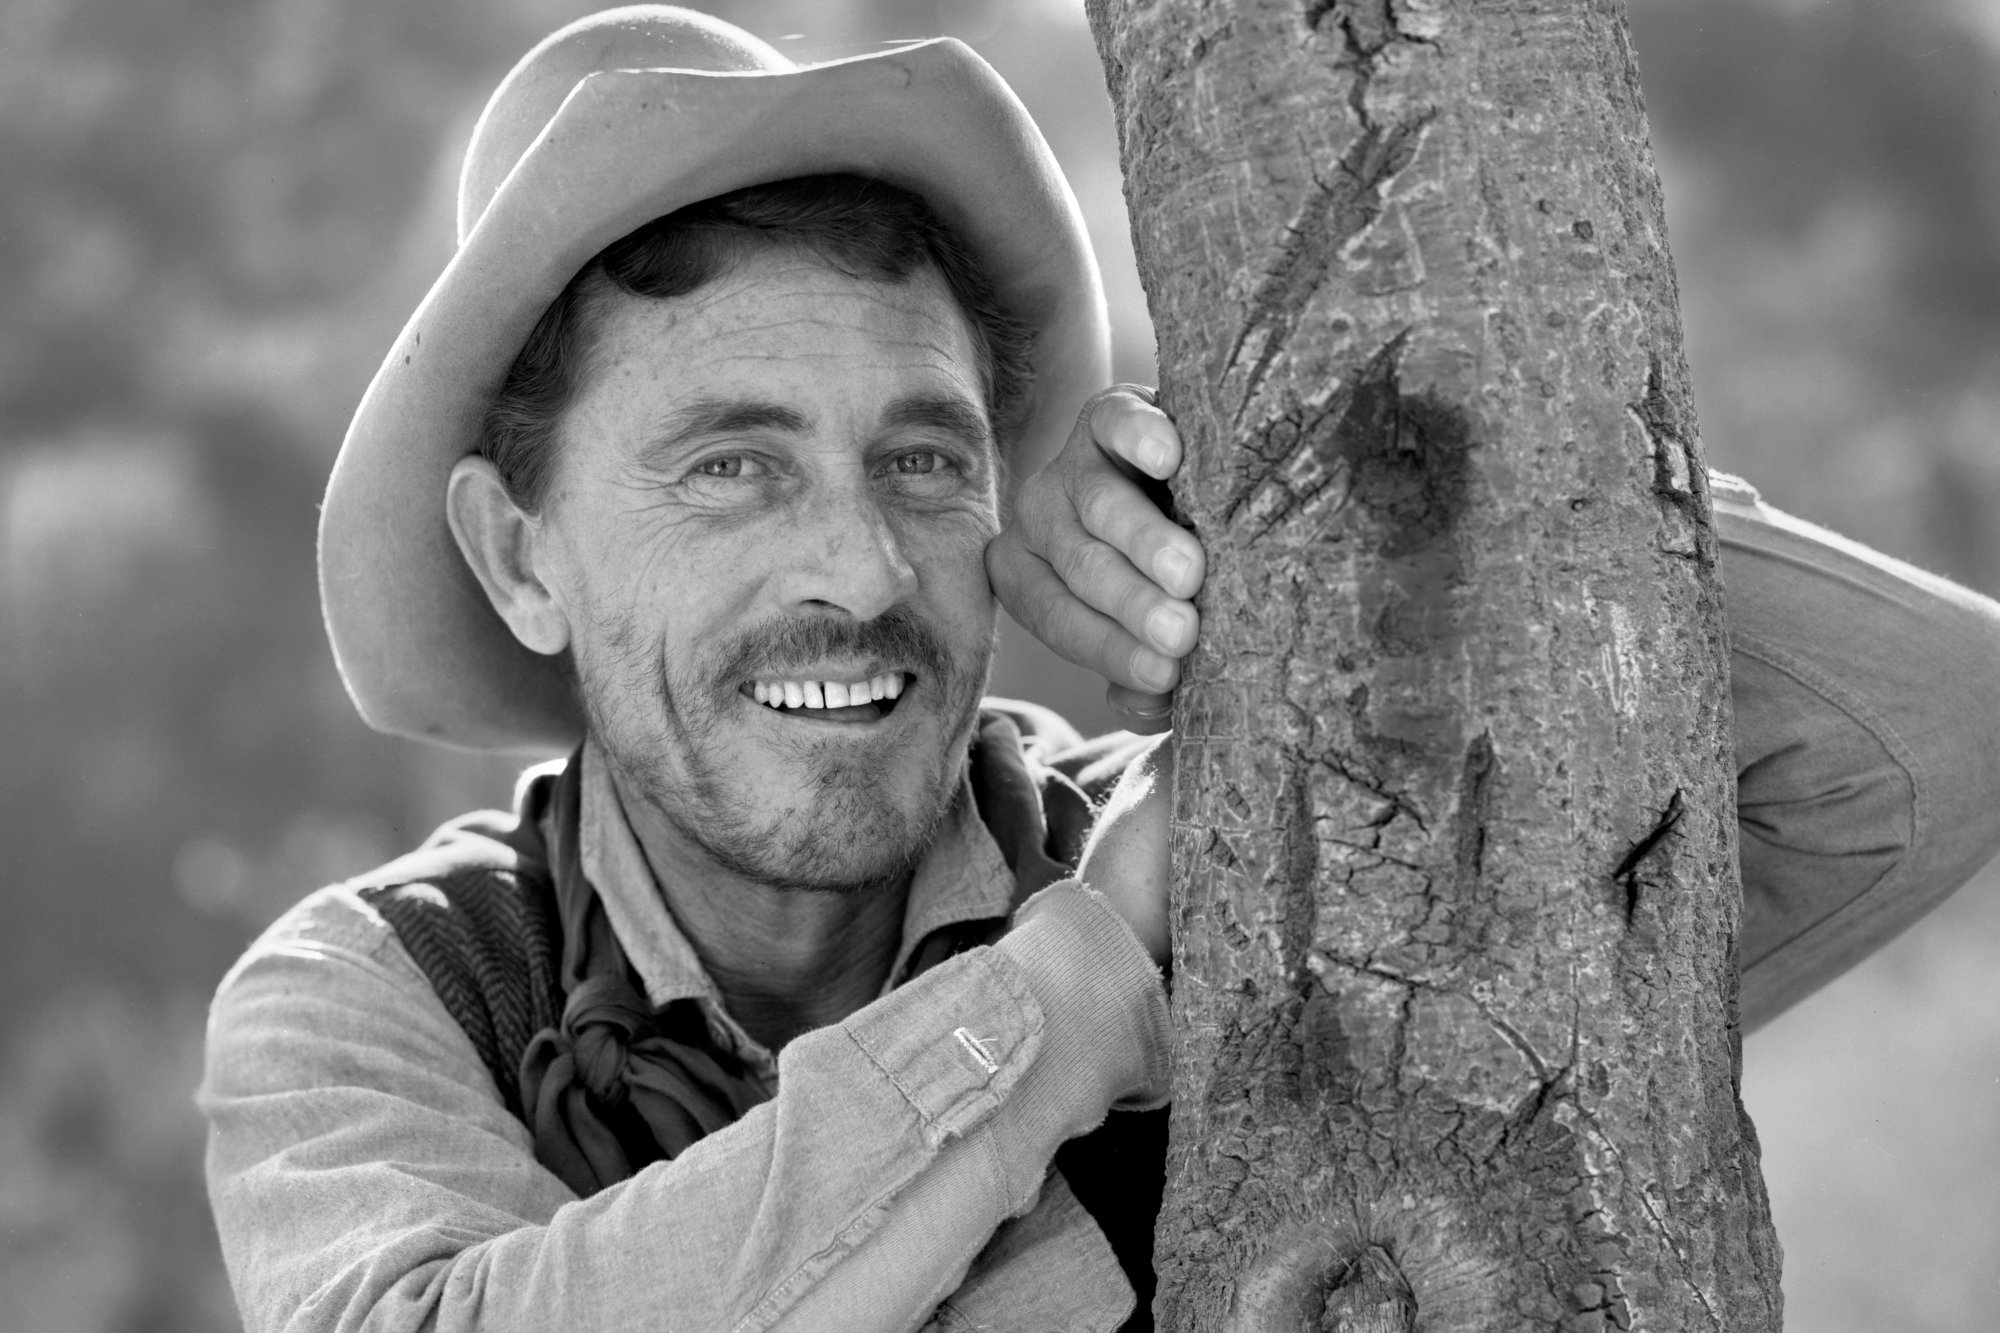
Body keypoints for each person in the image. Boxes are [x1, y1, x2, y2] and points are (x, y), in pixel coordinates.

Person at [198, 7, 2000, 1332]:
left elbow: (1923, 736)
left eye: (923, 459)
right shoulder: (382, 995)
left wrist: (1291, 505)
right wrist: (1071, 988)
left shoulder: (1235, 869)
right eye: (731, 464)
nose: (854, 564)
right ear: (521, 554)